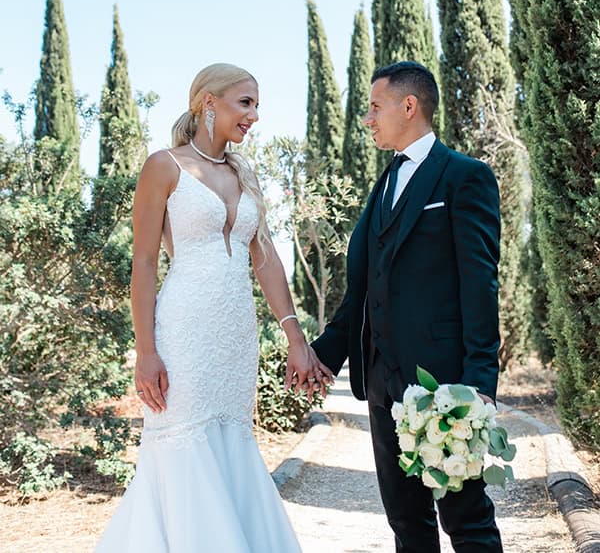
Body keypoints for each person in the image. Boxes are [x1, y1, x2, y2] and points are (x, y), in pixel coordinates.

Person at [96, 63, 332, 552]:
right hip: (182, 330)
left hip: (235, 336)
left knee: (232, 442)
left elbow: (265, 260)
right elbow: (143, 264)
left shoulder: (244, 174)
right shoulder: (164, 166)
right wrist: (146, 351)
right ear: (209, 102)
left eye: (257, 105)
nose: (254, 116)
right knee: (183, 443)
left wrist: (295, 339)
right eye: (245, 103)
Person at [311, 61, 503, 553]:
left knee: (468, 524)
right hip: (381, 386)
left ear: (409, 106)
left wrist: (480, 383)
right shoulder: (384, 185)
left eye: (375, 108)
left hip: (445, 388)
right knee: (408, 528)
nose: (368, 119)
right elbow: (365, 291)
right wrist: (322, 358)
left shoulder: (465, 177)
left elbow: (480, 284)